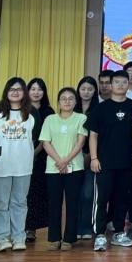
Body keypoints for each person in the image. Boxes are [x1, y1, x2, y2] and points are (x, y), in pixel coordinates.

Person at [89, 70, 132, 251]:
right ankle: (100, 235)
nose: (120, 85)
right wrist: (94, 158)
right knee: (101, 200)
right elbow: (93, 135)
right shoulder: (101, 108)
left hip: (127, 163)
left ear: (128, 84)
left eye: (124, 82)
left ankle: (118, 233)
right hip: (104, 163)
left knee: (122, 200)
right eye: (116, 82)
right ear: (110, 85)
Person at [0, 77, 34, 252]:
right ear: (6, 91)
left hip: (23, 166)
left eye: (19, 89)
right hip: (0, 166)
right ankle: (1, 238)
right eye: (12, 89)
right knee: (0, 203)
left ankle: (19, 237)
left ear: (24, 92)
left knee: (19, 202)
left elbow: (37, 139)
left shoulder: (32, 112)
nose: (15, 92)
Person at [39, 87, 88, 250]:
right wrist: (59, 161)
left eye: (70, 98)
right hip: (53, 168)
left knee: (73, 203)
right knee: (54, 203)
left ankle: (69, 238)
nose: (67, 101)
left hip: (75, 167)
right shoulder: (50, 119)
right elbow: (46, 143)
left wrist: (65, 160)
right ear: (58, 102)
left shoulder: (81, 118)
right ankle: (54, 238)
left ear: (75, 101)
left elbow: (80, 142)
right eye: (63, 99)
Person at [24, 77, 53, 242]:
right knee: (22, 194)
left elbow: (47, 137)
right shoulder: (21, 109)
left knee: (36, 194)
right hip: (20, 157)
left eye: (40, 89)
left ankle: (31, 229)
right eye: (33, 89)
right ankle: (18, 228)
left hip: (41, 157)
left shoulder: (48, 112)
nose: (36, 92)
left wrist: (34, 153)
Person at [75, 76, 98, 239]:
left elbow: (99, 136)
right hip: (72, 157)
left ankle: (86, 227)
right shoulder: (71, 108)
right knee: (74, 193)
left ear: (94, 91)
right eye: (83, 89)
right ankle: (74, 228)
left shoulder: (98, 109)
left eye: (90, 89)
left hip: (91, 157)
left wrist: (89, 156)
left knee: (88, 194)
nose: (86, 92)